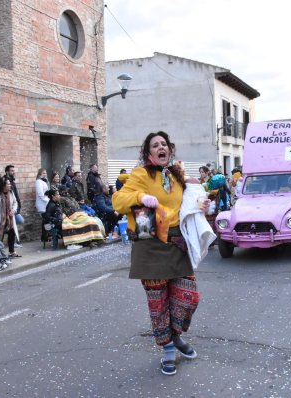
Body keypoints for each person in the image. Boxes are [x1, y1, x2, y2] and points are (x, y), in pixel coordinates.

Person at [112, 131, 204, 376]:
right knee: (159, 304)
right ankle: (169, 351)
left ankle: (176, 336)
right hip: (150, 245)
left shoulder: (175, 174)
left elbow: (185, 203)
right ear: (148, 152)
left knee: (188, 297)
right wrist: (141, 196)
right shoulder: (141, 174)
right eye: (155, 145)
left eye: (164, 144)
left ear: (169, 149)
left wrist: (201, 204)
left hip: (177, 243)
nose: (161, 147)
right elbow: (118, 200)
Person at [0, 177, 21, 258]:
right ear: (3, 186)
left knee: (12, 234)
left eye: (10, 184)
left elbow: (15, 203)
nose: (10, 185)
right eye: (8, 184)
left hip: (10, 219)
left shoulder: (11, 193)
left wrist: (13, 210)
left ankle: (12, 251)